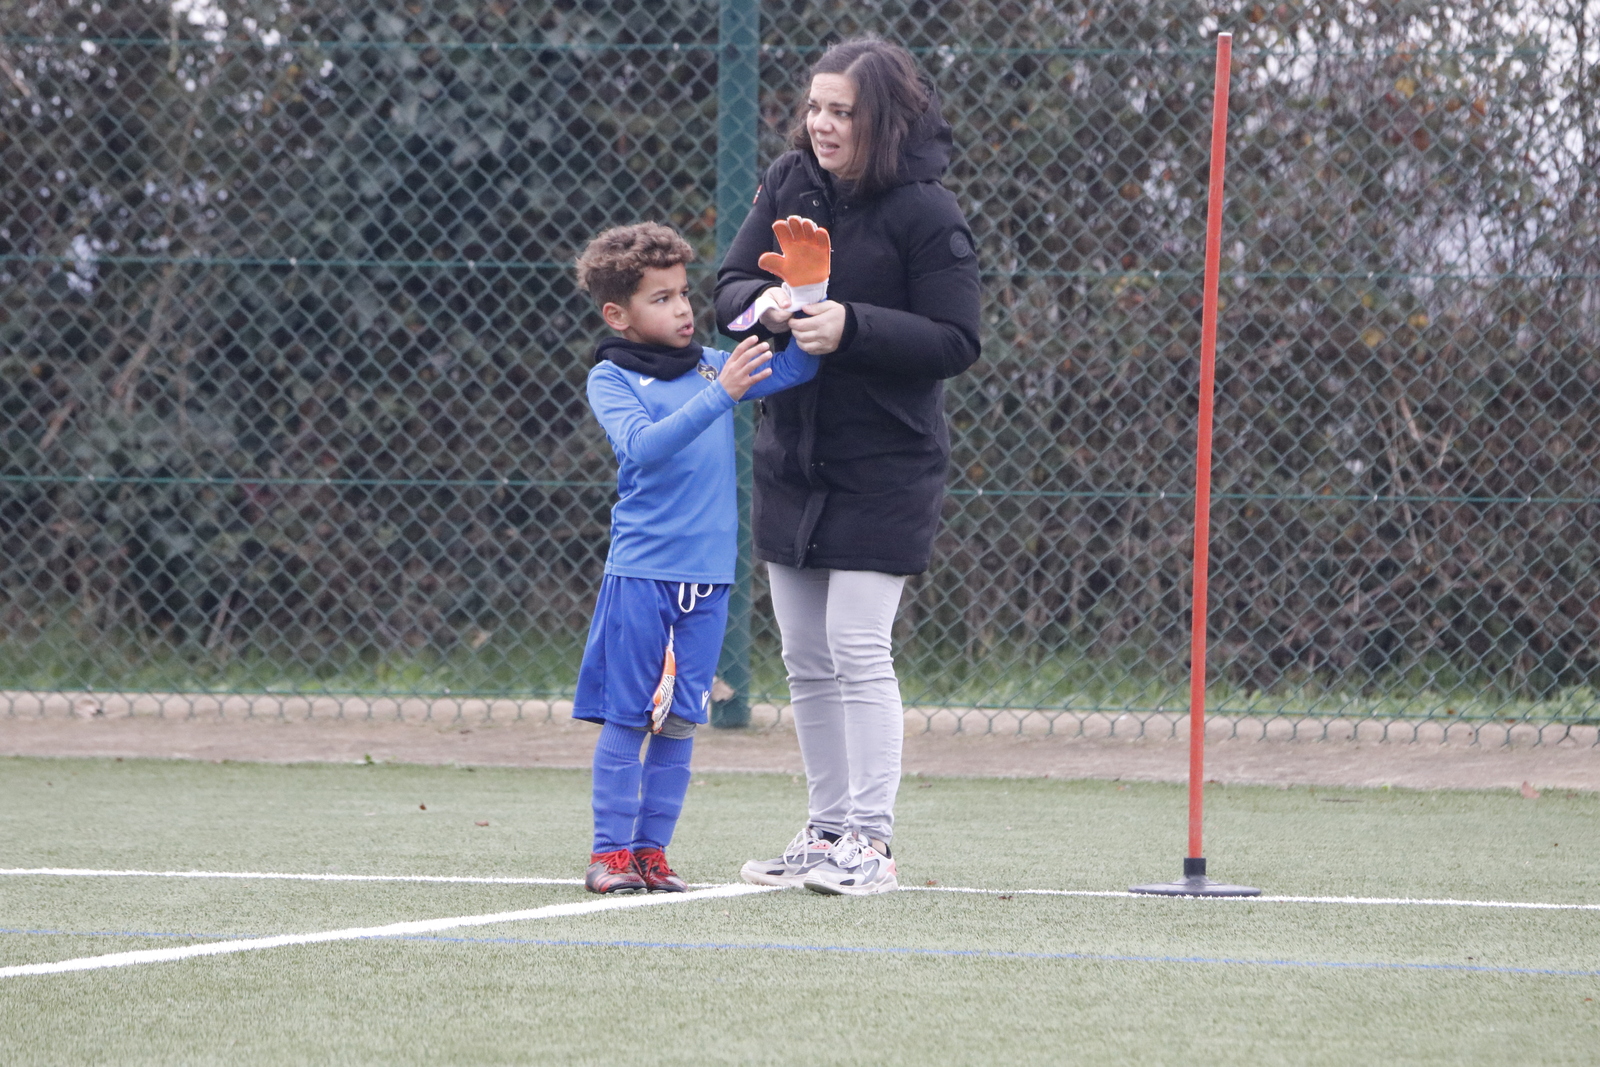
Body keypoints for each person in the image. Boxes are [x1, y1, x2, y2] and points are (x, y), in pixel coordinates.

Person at [716, 38, 981, 896]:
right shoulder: (789, 181)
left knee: (858, 647)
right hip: (792, 457)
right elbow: (727, 288)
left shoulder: (927, 211)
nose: (822, 125)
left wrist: (851, 324)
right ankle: (826, 829)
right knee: (805, 655)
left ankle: (871, 841)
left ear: (884, 120)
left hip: (886, 463)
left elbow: (956, 339)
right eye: (815, 108)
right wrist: (767, 305)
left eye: (843, 112)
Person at [573, 221, 819, 893]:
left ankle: (652, 852)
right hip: (642, 574)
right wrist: (723, 393)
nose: (683, 308)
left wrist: (801, 301)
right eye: (661, 299)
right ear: (617, 315)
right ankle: (609, 854)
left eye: (684, 293)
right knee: (629, 715)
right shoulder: (611, 377)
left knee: (681, 721)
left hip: (708, 580)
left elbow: (798, 367)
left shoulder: (714, 363)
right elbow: (644, 446)